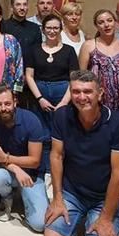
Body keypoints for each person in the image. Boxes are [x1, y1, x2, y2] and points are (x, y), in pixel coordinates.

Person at [44, 70, 119, 236]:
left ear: (100, 94)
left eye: (88, 92)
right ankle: (82, 218)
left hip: (104, 197)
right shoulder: (61, 116)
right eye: (76, 91)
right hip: (73, 192)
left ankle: (96, 223)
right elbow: (56, 156)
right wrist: (58, 198)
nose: (82, 97)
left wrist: (105, 217)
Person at [0, 85, 49, 231]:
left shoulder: (31, 120)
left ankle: (28, 196)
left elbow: (34, 161)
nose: (3, 108)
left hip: (32, 173)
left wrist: (6, 158)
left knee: (39, 225)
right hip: (7, 170)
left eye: (7, 103)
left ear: (15, 102)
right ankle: (7, 197)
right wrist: (15, 168)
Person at [24, 14, 78, 172]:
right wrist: (40, 98)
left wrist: (63, 103)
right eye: (49, 27)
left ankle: (63, 170)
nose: (52, 31)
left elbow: (73, 78)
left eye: (55, 28)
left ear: (61, 29)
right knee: (43, 135)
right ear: (43, 29)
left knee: (63, 133)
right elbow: (29, 76)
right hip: (39, 96)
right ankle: (45, 171)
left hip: (63, 95)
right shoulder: (34, 50)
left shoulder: (69, 51)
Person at [78, 9, 119, 115]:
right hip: (97, 100)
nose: (106, 25)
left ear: (115, 22)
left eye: (109, 20)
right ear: (96, 26)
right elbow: (81, 77)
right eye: (101, 22)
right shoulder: (89, 45)